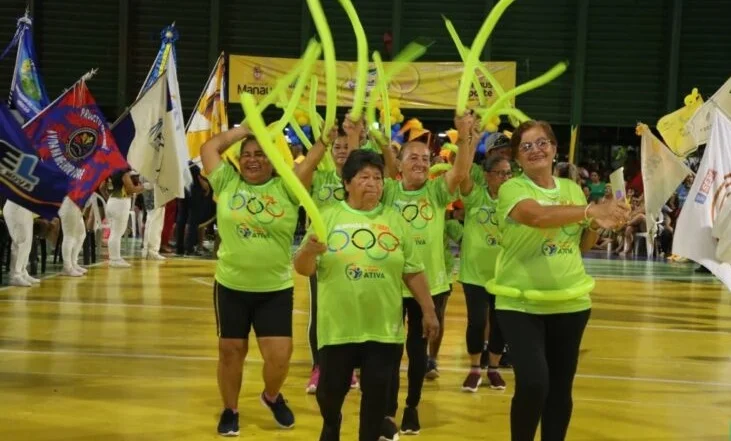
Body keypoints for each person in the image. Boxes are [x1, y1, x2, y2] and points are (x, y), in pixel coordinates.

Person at [487, 120, 629, 441]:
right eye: (526, 146)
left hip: (571, 303)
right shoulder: (513, 189)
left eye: (542, 143)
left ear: (553, 148)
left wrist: (604, 221)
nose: (535, 150)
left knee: (560, 389)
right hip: (520, 304)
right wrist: (591, 211)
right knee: (534, 383)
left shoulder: (572, 189)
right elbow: (536, 217)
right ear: (517, 158)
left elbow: (583, 245)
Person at [293, 149, 439, 441]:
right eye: (364, 177)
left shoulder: (395, 220)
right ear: (347, 183)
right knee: (329, 393)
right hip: (338, 328)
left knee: (376, 399)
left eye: (377, 178)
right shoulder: (328, 217)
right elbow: (304, 268)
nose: (372, 183)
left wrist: (429, 309)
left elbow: (412, 270)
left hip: (384, 329)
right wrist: (309, 250)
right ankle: (331, 424)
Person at [200, 124, 321, 437]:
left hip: (274, 289)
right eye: (247, 156)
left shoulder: (285, 188)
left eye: (261, 155)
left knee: (279, 358)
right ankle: (231, 410)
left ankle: (271, 396)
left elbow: (309, 163)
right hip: (231, 286)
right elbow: (209, 149)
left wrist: (326, 140)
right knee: (231, 351)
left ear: (273, 160)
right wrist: (245, 131)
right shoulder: (227, 181)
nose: (253, 160)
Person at [382, 113, 477, 435]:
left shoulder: (436, 192)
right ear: (400, 165)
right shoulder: (388, 193)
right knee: (391, 352)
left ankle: (412, 406)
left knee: (418, 352)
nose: (421, 163)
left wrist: (464, 136)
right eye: (414, 158)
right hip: (392, 287)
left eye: (426, 158)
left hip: (430, 288)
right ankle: (387, 410)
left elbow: (461, 170)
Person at [301, 129, 361, 394]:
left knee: (352, 311)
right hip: (321, 255)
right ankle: (319, 367)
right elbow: (298, 178)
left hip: (354, 253)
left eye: (347, 146)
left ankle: (350, 369)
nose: (341, 150)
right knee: (319, 312)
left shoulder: (361, 181)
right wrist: (321, 143)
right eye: (336, 146)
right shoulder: (321, 177)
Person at [458, 155, 512, 392]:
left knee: (500, 324)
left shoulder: (514, 200)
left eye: (509, 173)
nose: (505, 178)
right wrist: (471, 138)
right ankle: (474, 369)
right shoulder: (475, 195)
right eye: (500, 173)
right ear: (488, 175)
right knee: (477, 322)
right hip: (474, 274)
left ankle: (493, 369)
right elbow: (462, 172)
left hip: (504, 274)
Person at [106, 169, 144, 267]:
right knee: (117, 233)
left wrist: (108, 198)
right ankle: (114, 259)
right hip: (121, 202)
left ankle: (115, 257)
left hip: (111, 200)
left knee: (114, 232)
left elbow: (102, 187)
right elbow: (130, 189)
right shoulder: (123, 172)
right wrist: (142, 187)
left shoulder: (110, 170)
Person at [3, 200, 40, 287]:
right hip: (15, 208)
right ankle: (15, 275)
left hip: (26, 208)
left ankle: (23, 272)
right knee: (21, 242)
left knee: (27, 243)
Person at [59, 197, 89, 276]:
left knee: (81, 234)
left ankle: (73, 263)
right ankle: (67, 267)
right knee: (69, 236)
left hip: (76, 205)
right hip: (68, 204)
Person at [141, 180, 166, 260]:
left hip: (148, 194)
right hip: (156, 195)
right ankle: (152, 251)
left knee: (150, 222)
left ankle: (146, 250)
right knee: (156, 225)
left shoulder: (144, 168)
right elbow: (156, 182)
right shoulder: (155, 168)